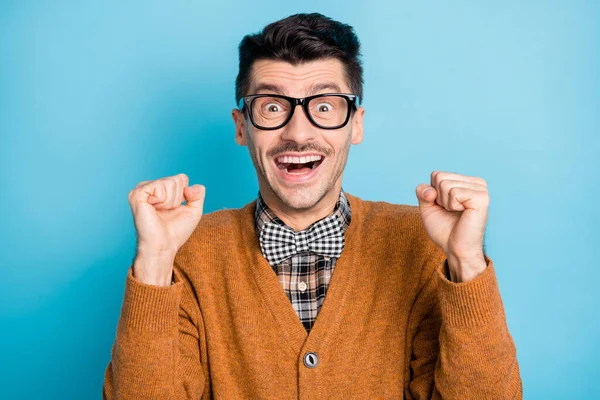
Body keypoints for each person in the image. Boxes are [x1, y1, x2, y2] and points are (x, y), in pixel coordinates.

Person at [102, 12, 522, 399]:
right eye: (271, 107)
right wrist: (155, 263)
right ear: (241, 128)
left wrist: (467, 264)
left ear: (355, 125)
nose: (298, 133)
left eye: (324, 106)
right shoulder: (185, 252)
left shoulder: (423, 245)